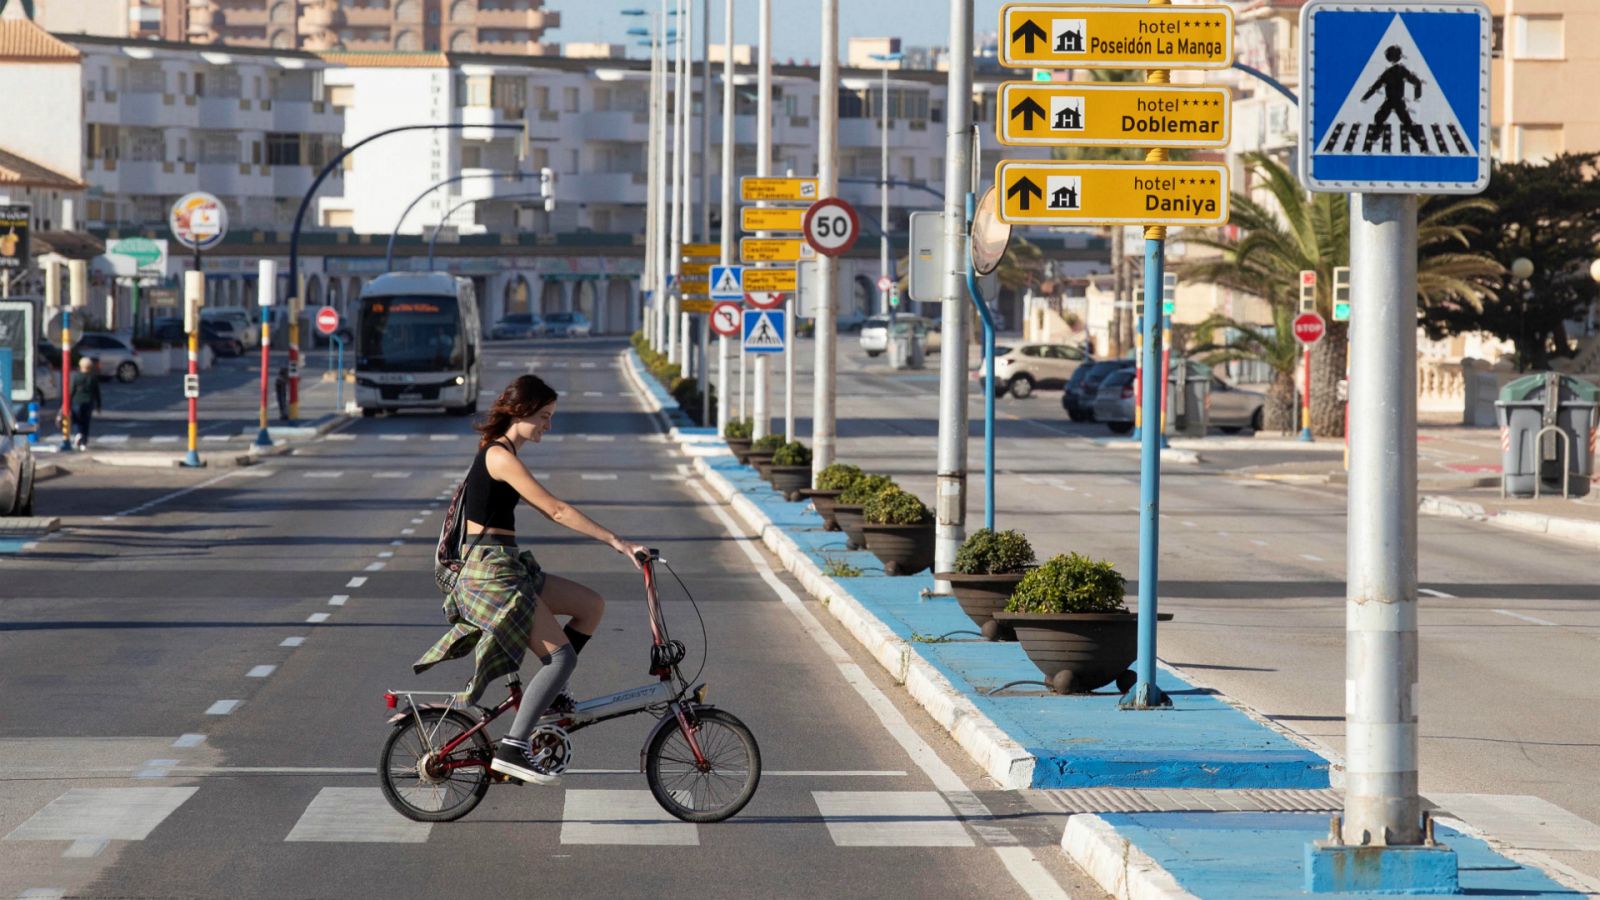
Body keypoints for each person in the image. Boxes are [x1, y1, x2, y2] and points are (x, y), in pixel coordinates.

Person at [413, 374, 647, 786]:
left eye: (551, 417)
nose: (548, 426)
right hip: (491, 573)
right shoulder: (499, 456)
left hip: (508, 563)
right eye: (544, 416)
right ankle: (512, 747)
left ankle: (551, 697)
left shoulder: (501, 451)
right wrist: (617, 541)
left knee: (590, 605)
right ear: (520, 412)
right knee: (561, 658)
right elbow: (555, 511)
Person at [69, 357, 101, 450]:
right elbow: (97, 392)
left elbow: (72, 390)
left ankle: (78, 434)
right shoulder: (93, 377)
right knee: (86, 422)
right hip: (88, 402)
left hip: (77, 401)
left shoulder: (77, 376)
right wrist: (99, 405)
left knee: (77, 420)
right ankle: (84, 442)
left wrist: (67, 403)